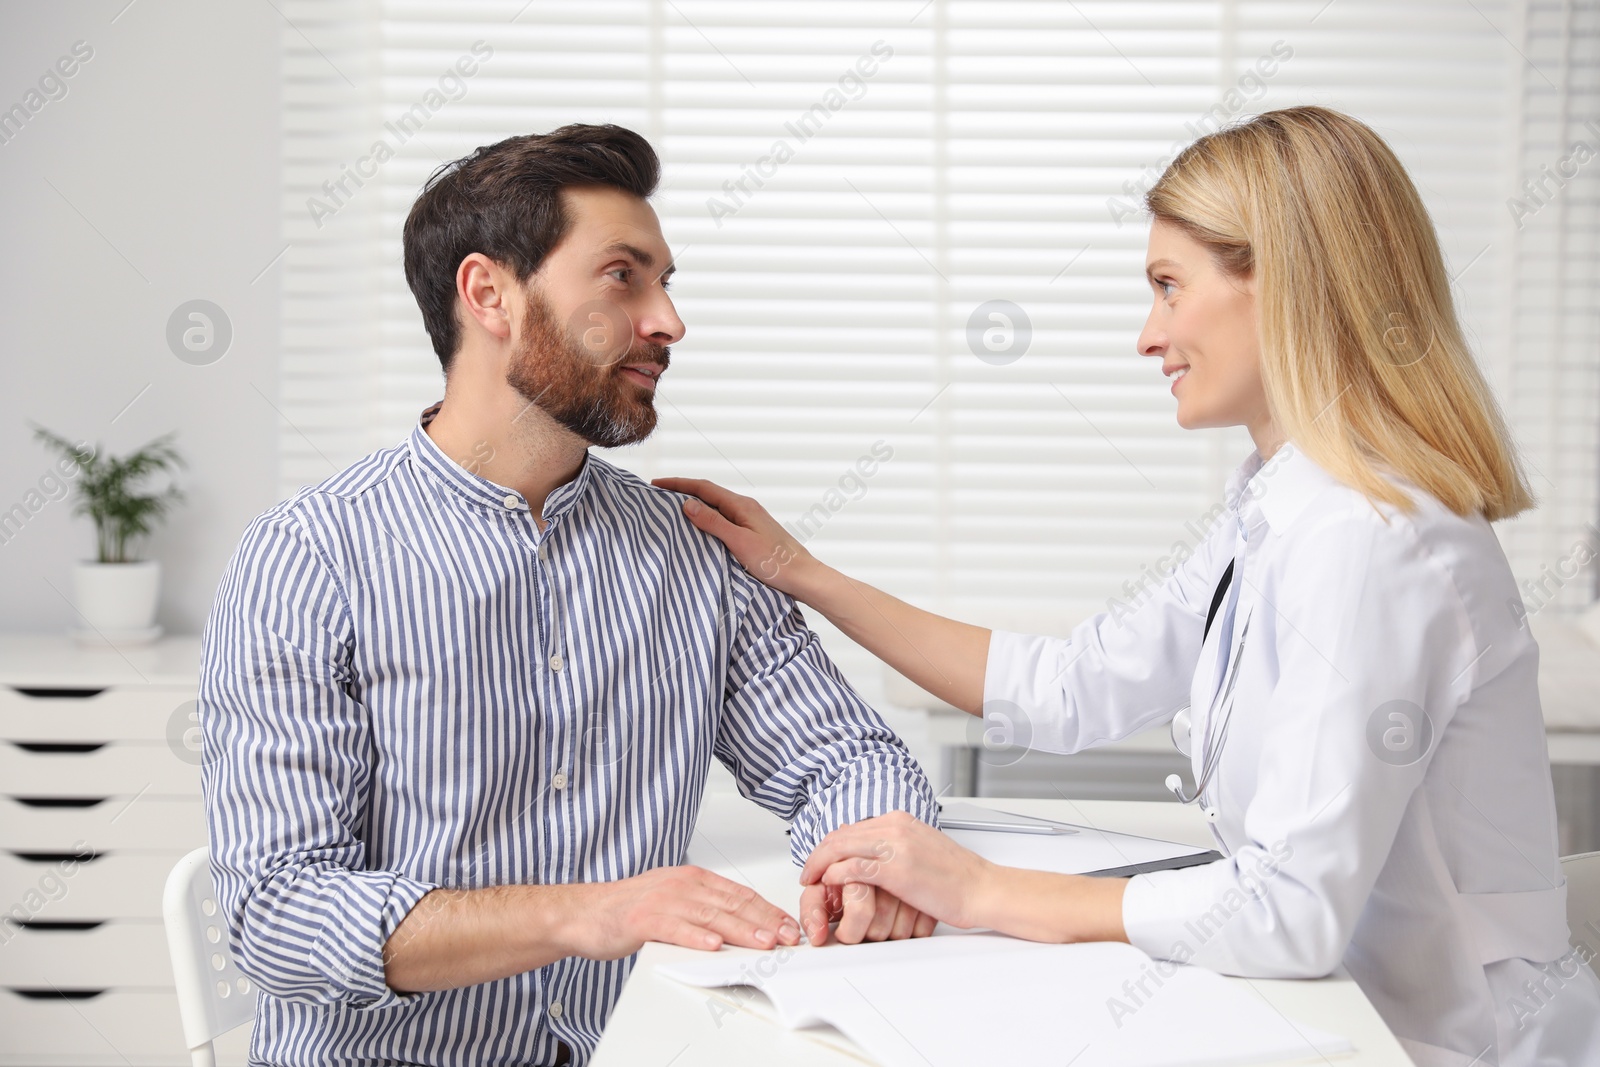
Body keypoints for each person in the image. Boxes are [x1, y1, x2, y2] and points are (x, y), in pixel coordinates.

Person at [657, 106, 1600, 1067]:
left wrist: (984, 890)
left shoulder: (1372, 538)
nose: (1148, 337)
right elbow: (1068, 685)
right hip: (1347, 1011)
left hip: (1446, 1041)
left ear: (1285, 282)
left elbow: (1293, 911)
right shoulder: (1279, 504)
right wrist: (800, 574)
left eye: (1168, 288)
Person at [198, 123, 939, 1067]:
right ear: (489, 293)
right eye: (623, 277)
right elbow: (279, 915)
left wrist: (869, 862)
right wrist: (588, 913)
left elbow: (845, 756)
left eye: (666, 282)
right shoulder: (308, 559)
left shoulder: (689, 552)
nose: (668, 321)